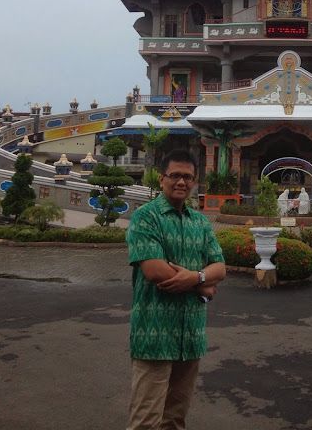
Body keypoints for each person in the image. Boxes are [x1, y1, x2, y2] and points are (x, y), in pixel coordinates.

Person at [126, 150, 226, 430]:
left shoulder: (200, 222)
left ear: (195, 182)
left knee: (175, 419)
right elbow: (154, 270)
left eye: (188, 177)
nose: (182, 182)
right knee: (146, 420)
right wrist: (202, 284)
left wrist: (198, 276)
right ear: (162, 179)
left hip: (190, 335)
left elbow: (220, 267)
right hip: (154, 335)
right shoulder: (146, 218)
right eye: (175, 176)